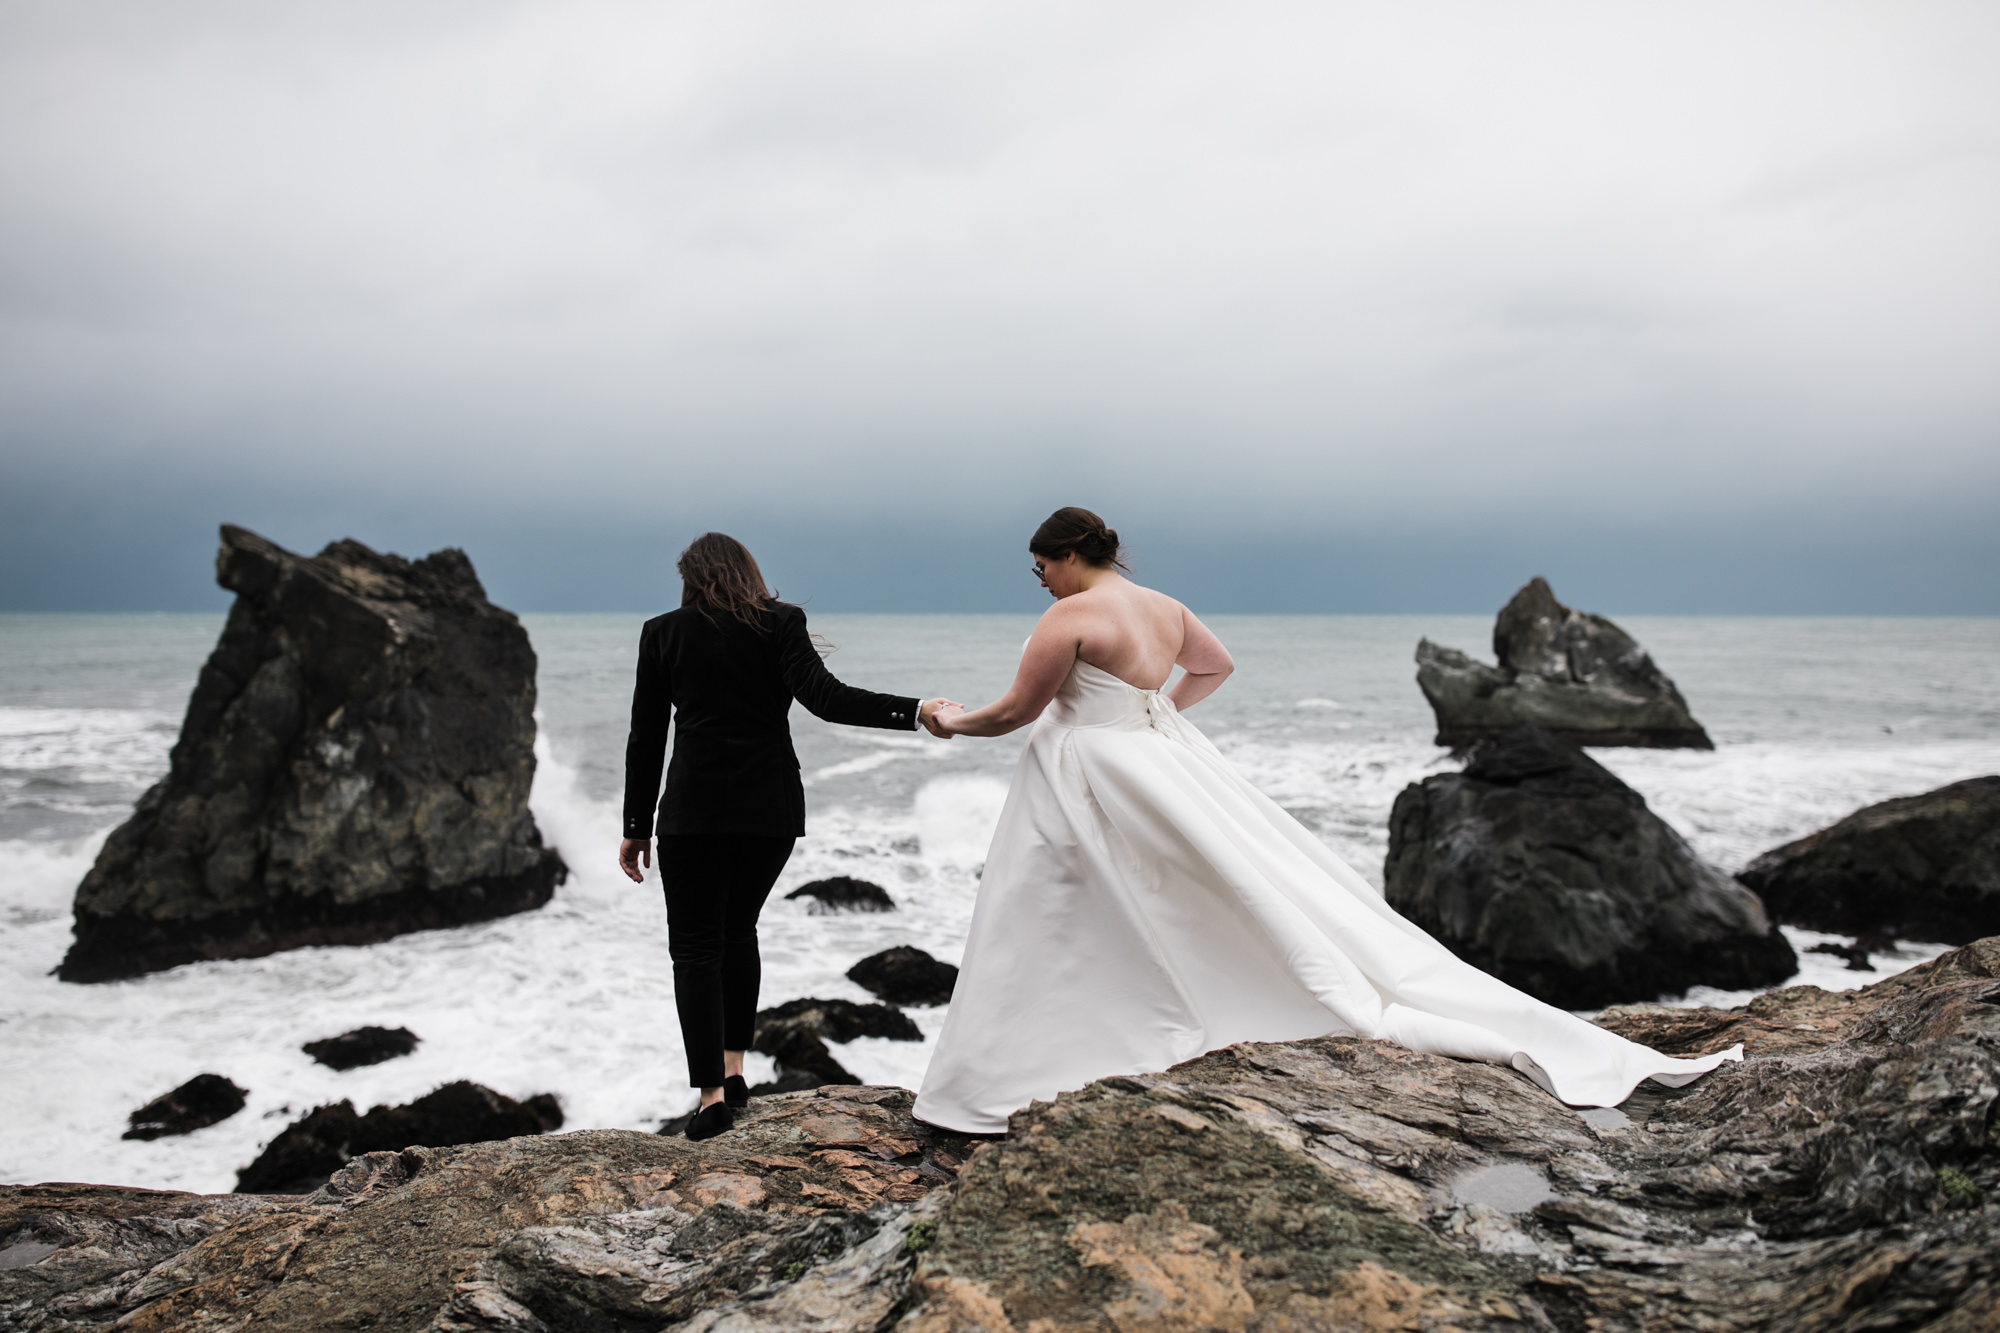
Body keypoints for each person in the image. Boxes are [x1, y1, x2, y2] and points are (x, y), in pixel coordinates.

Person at [913, 507, 1741, 1134]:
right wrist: (1157, 711)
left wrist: (947, 720)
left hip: (1089, 770)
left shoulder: (1069, 617)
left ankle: (1032, 1056)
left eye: (1042, 569)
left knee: (1073, 903)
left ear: (1066, 557)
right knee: (1190, 888)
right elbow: (1214, 664)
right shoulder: (1163, 607)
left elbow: (1017, 712)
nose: (1043, 584)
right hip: (1156, 761)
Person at [620, 533, 955, 1141]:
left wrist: (635, 826)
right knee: (738, 929)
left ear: (691, 578)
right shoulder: (781, 623)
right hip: (769, 812)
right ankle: (735, 1068)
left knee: (696, 948)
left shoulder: (662, 632)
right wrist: (914, 710)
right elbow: (828, 700)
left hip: (692, 814)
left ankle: (711, 1099)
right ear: (747, 571)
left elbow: (646, 736)